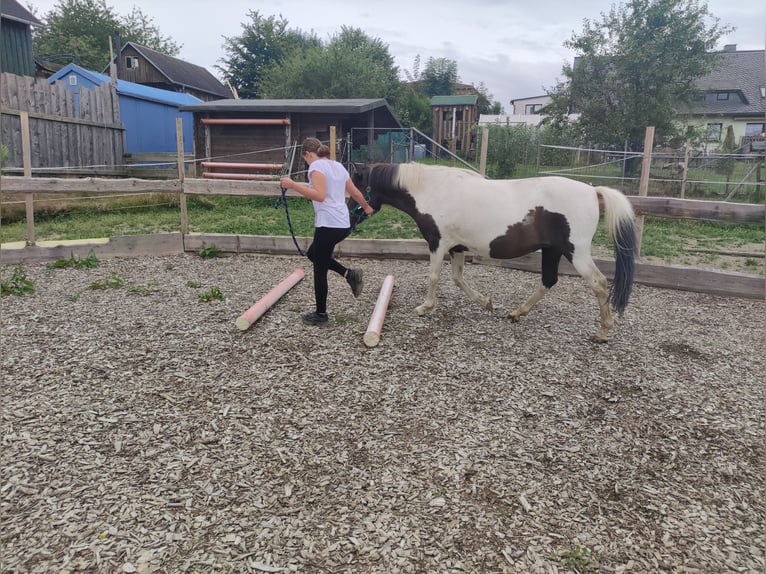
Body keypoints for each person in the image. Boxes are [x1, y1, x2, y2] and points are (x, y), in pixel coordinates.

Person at [279, 137, 375, 326]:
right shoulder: (337, 166)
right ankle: (349, 274)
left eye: (305, 158)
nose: (306, 162)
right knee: (314, 254)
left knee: (319, 269)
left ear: (308, 154)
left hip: (328, 224)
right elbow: (354, 192)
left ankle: (321, 315)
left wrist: (293, 185)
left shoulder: (315, 167)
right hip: (342, 223)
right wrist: (366, 207)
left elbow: (320, 195)